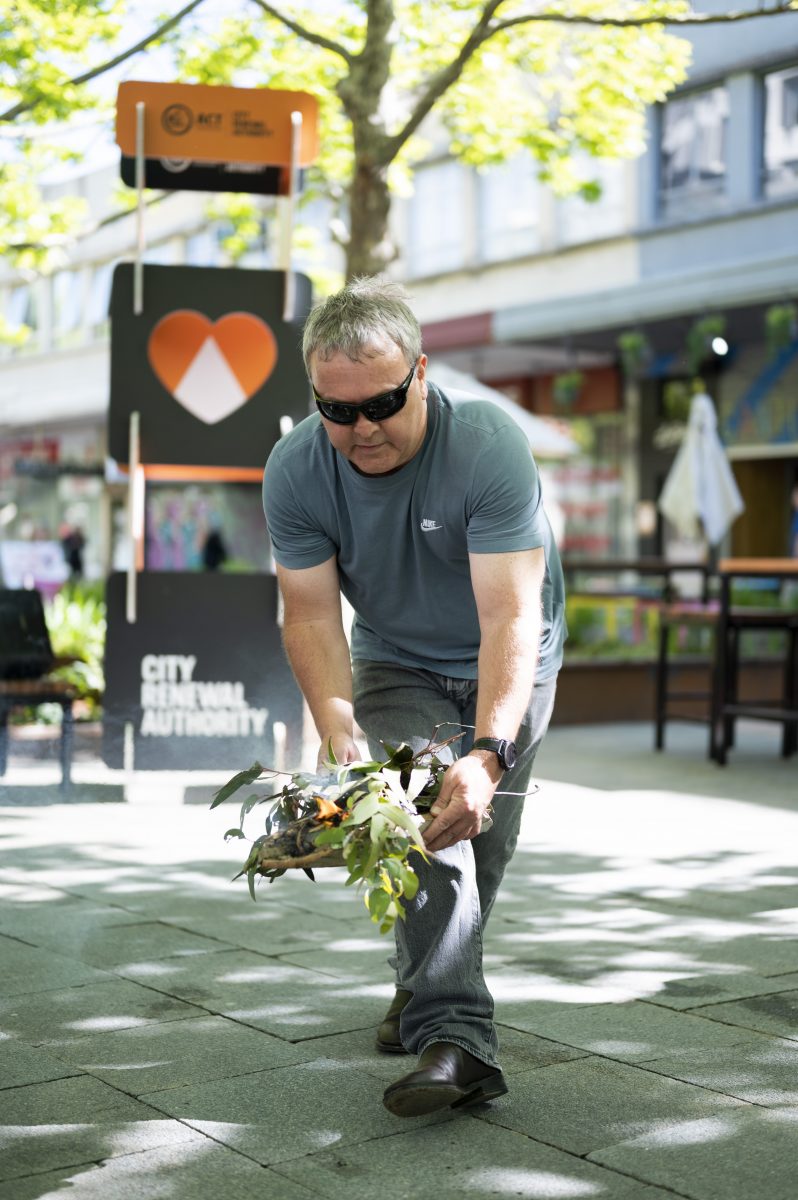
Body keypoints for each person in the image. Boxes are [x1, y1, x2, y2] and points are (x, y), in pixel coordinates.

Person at [262, 278, 565, 1118]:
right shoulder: (296, 470)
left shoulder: (487, 446)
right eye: (337, 410)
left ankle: (421, 992)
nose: (361, 430)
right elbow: (313, 610)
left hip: (514, 654)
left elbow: (510, 611)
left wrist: (490, 749)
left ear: (421, 374)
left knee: (478, 842)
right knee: (421, 825)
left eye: (383, 404)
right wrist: (336, 722)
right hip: (396, 657)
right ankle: (458, 1041)